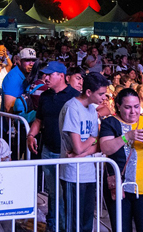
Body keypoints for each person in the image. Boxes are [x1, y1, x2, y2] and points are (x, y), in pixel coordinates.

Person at [28, 61, 78, 232]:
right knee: (53, 192)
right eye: (44, 74)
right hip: (48, 150)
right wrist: (31, 135)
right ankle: (54, 225)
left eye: (49, 75)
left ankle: (65, 226)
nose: (45, 78)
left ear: (61, 76)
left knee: (66, 194)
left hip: (67, 153)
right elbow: (39, 119)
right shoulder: (45, 96)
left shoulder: (74, 96)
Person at [57, 73, 110, 232]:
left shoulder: (92, 110)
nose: (104, 97)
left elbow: (98, 145)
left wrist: (82, 151)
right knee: (74, 223)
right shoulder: (72, 108)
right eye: (100, 94)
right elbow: (80, 145)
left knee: (87, 221)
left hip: (89, 171)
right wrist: (92, 139)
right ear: (88, 92)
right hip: (73, 173)